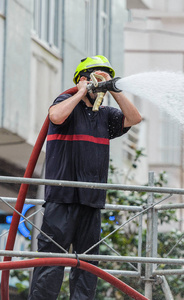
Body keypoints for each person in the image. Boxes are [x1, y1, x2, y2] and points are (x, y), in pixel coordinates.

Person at [28, 55, 142, 300]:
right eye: (96, 75)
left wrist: (115, 90)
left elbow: (134, 119)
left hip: (91, 201)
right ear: (82, 78)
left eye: (105, 76)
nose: (100, 81)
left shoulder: (106, 116)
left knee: (88, 266)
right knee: (51, 262)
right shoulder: (65, 102)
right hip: (62, 198)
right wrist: (81, 91)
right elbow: (56, 116)